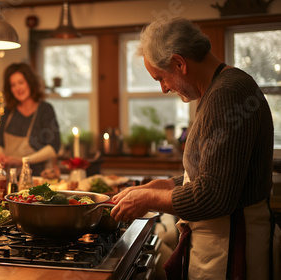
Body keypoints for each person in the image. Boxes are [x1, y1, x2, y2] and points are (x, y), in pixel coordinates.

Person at [110, 17, 279, 279]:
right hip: (221, 244)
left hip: (233, 249)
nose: (164, 88)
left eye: (161, 78)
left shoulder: (227, 94)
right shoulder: (219, 89)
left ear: (179, 63)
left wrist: (149, 199)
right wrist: (161, 185)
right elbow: (211, 173)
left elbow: (213, 196)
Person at [0, 63, 61, 176]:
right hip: (10, 178)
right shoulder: (8, 111)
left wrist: (24, 160)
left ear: (30, 82)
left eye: (21, 82)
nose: (18, 88)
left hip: (36, 178)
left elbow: (54, 147)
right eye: (13, 85)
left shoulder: (45, 110)